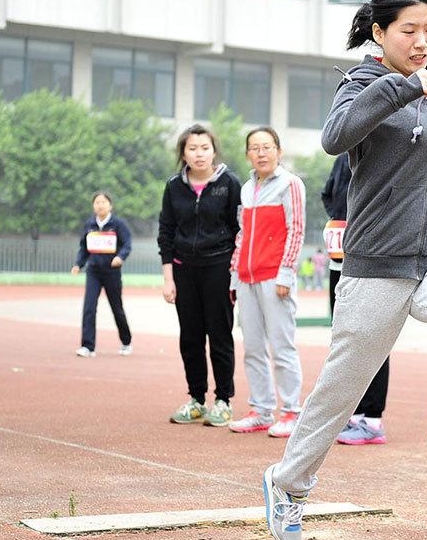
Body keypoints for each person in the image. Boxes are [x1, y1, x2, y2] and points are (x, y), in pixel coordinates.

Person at [262, 0, 427, 540]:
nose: (422, 42)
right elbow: (333, 137)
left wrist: (424, 88)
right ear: (380, 32)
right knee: (341, 391)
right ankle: (288, 484)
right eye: (409, 31)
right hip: (375, 263)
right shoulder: (361, 83)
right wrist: (401, 88)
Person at [158, 124, 243, 427]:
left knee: (220, 335)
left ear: (214, 150)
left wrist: (234, 272)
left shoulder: (229, 183)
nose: (199, 154)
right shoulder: (174, 187)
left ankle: (223, 400)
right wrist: (169, 278)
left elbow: (239, 231)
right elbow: (166, 233)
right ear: (183, 153)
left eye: (205, 148)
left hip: (219, 268)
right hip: (184, 269)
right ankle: (196, 399)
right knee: (190, 338)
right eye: (192, 148)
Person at [228, 127, 306, 438]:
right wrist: (235, 277)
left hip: (275, 277)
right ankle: (260, 409)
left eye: (267, 147)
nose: (262, 153)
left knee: (282, 347)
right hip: (247, 278)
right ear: (248, 154)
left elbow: (295, 229)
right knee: (253, 348)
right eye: (255, 148)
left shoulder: (290, 184)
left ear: (278, 151)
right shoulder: (247, 189)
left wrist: (286, 273)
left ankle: (290, 411)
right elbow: (242, 234)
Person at [321, 152, 392, 446]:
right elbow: (329, 196)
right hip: (340, 264)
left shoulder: (385, 154)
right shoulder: (343, 157)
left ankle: (372, 419)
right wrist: (341, 226)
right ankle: (356, 412)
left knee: (373, 339)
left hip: (371, 265)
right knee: (346, 339)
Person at [72, 191, 133, 358]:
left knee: (117, 308)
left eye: (103, 202)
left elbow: (127, 243)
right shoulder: (90, 225)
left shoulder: (118, 224)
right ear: (93, 206)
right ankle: (87, 346)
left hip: (112, 272)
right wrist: (78, 264)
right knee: (89, 307)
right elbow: (84, 247)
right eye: (97, 202)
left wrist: (120, 257)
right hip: (93, 272)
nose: (100, 205)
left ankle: (126, 341)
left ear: (110, 205)